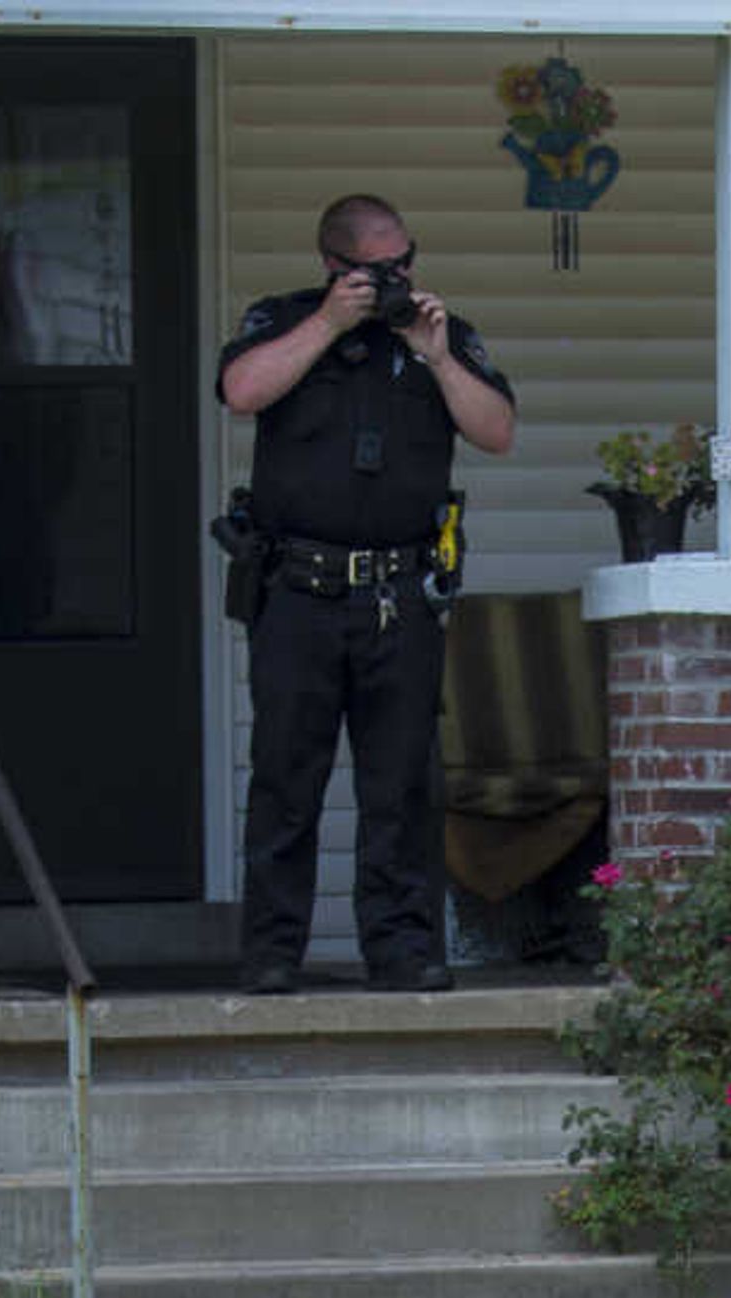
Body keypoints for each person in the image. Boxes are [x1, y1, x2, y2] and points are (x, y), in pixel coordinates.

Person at [217, 194, 519, 993]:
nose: (394, 280)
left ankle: (403, 949)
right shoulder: (284, 320)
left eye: (403, 263)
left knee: (402, 784)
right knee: (286, 778)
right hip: (298, 592)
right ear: (333, 266)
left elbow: (496, 431)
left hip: (400, 594)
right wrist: (328, 322)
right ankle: (274, 952)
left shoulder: (436, 334)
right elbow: (242, 391)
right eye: (375, 270)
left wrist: (438, 355)